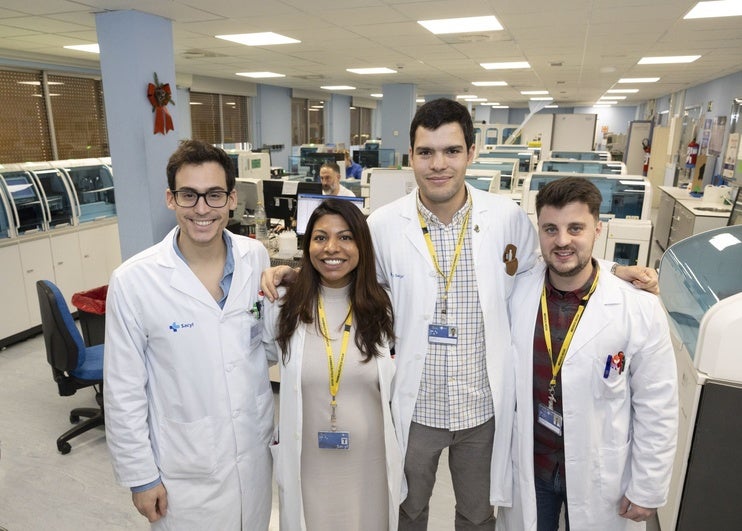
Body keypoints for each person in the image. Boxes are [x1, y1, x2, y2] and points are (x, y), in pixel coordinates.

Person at [261, 99, 658, 530]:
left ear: (471, 153)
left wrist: (612, 271)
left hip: (482, 408)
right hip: (415, 408)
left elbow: (550, 265)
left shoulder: (506, 218)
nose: (438, 164)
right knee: (406, 509)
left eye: (451, 151)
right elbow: (349, 276)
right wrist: (294, 272)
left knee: (476, 513)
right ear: (411, 156)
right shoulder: (385, 225)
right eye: (426, 152)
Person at [104, 140, 274, 529]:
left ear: (232, 199)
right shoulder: (134, 281)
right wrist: (141, 478)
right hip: (184, 470)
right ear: (170, 199)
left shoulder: (255, 257)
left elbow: (267, 347)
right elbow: (122, 391)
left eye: (214, 195)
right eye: (188, 195)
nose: (201, 209)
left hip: (253, 454)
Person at [496, 177, 677, 531]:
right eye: (551, 229)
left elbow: (658, 405)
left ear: (598, 229)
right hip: (533, 465)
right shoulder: (517, 291)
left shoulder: (637, 307)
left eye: (575, 228)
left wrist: (648, 485)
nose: (562, 240)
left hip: (602, 472)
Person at [262, 198, 402, 530]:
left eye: (345, 237)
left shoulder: (385, 307)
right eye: (320, 237)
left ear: (361, 245)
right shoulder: (285, 306)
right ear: (307, 244)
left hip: (370, 465)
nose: (331, 248)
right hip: (308, 463)